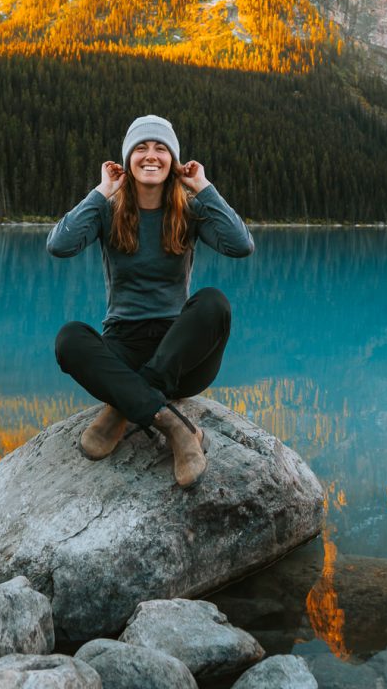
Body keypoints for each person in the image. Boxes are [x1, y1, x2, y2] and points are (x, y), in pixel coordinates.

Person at [47, 114, 254, 489]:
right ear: (127, 160)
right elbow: (59, 245)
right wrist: (101, 191)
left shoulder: (190, 209)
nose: (151, 155)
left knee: (214, 303)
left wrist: (203, 186)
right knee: (69, 339)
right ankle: (173, 424)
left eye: (161, 148)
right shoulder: (107, 210)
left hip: (182, 357)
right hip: (124, 345)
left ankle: (126, 404)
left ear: (173, 161)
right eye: (140, 148)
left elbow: (241, 245)